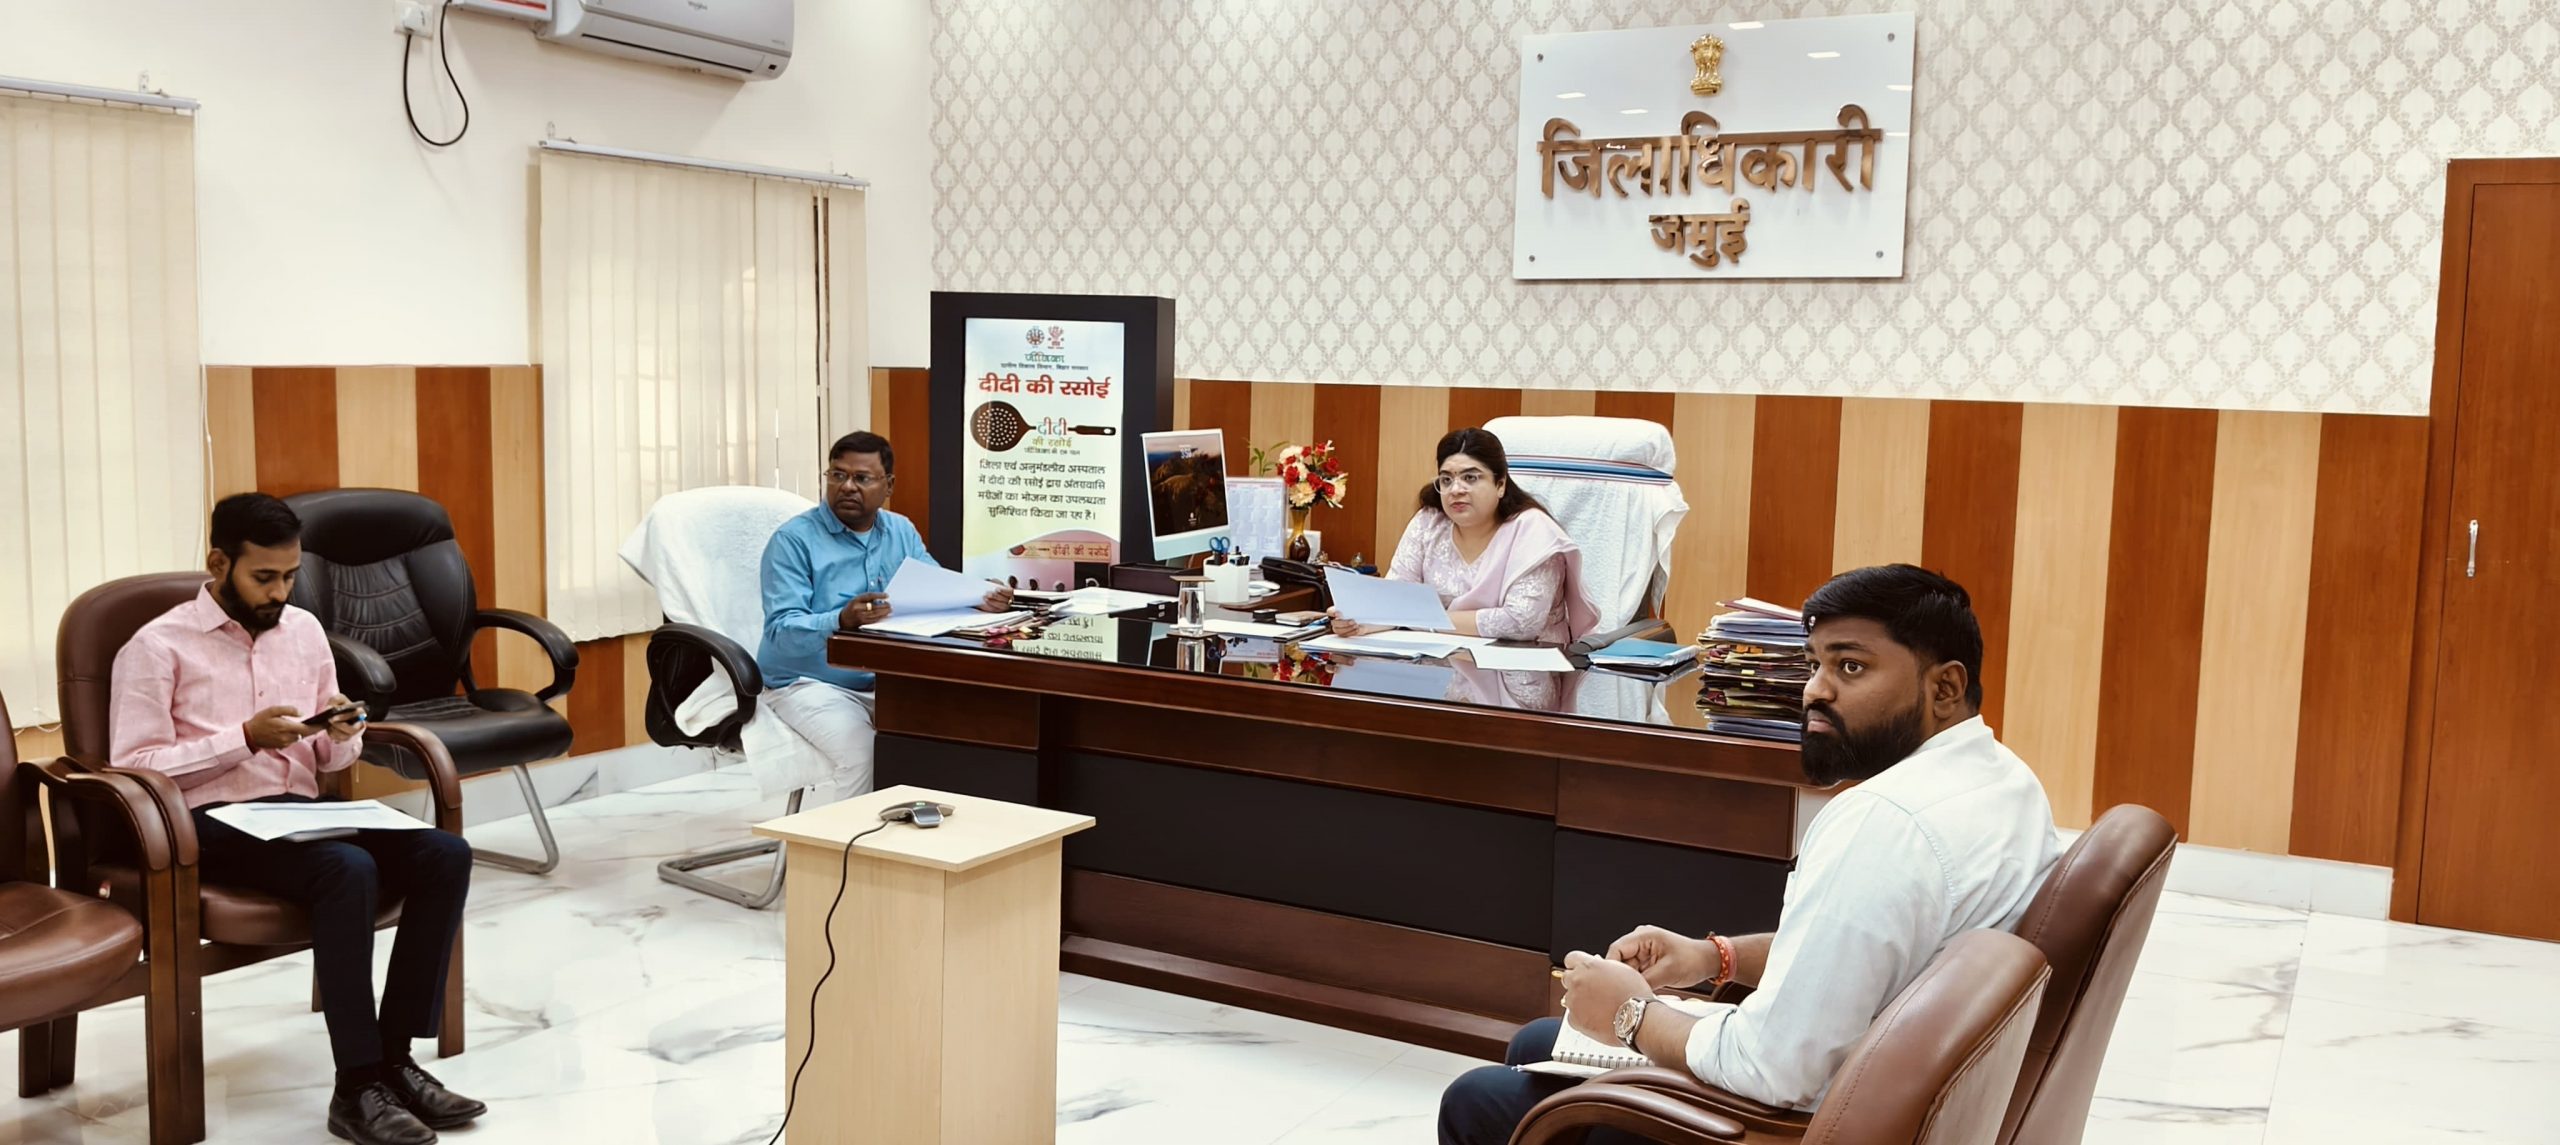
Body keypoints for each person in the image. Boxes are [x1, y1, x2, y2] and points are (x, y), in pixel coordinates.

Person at [1437, 565, 2061, 1144]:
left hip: (1801, 1121)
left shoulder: (1884, 822)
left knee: (1478, 1099)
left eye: (1850, 667)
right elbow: (1878, 953)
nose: (1814, 691)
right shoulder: (2007, 781)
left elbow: (1772, 1070)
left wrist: (1630, 1014)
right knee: (1539, 1043)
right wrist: (1714, 957)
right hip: (1895, 1086)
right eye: (1814, 664)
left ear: (1945, 686)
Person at [111, 493, 480, 1145]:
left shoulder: (305, 631)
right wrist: (243, 739)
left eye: (289, 575)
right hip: (204, 822)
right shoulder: (157, 645)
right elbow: (134, 766)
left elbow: (331, 756)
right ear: (218, 563)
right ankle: (357, 1084)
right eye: (264, 577)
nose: (280, 592)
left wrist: (341, 732)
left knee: (444, 854)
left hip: (295, 814)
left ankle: (394, 1061)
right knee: (346, 867)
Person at [759, 431, 1013, 798]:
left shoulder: (900, 530)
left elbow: (934, 589)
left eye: (861, 478)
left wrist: (979, 597)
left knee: (959, 731)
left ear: (888, 485)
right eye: (837, 475)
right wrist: (840, 619)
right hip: (808, 684)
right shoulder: (793, 540)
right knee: (862, 754)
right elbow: (781, 631)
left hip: (887, 680)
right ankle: (850, 837)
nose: (847, 486)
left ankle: (914, 832)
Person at [1328, 427, 1599, 644]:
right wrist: (1360, 622)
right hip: (1440, 665)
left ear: (1500, 484)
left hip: (1522, 670)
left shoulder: (1534, 532)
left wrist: (1420, 619)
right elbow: (1398, 597)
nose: (1455, 489)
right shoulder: (1429, 522)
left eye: (1470, 478)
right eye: (1446, 480)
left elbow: (1521, 622)